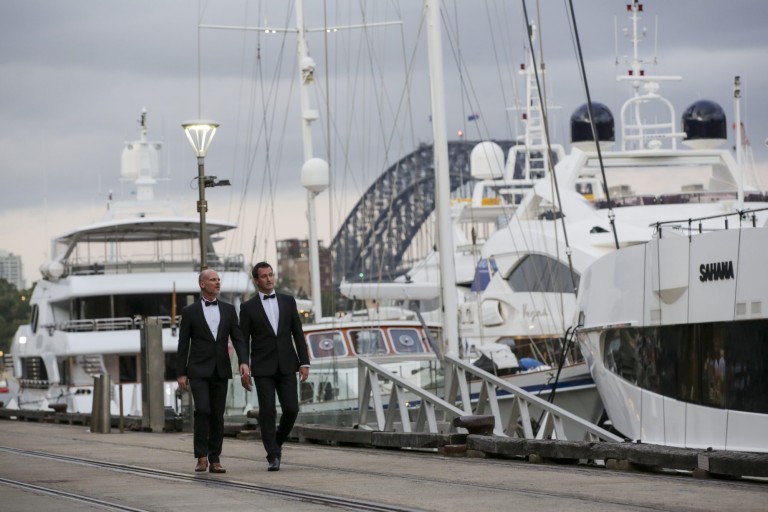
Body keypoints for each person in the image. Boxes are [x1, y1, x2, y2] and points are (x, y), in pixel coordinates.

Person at [236, 262, 310, 472]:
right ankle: (273, 455)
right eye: (264, 276)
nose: (269, 279)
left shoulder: (288, 301)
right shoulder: (248, 307)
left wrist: (304, 362)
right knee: (267, 412)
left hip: (287, 363)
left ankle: (276, 443)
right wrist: (244, 364)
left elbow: (297, 332)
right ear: (256, 280)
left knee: (292, 409)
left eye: (271, 275)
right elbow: (243, 340)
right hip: (263, 366)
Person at [176, 269, 244, 474]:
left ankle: (215, 458)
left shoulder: (229, 309)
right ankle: (201, 456)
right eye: (213, 280)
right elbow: (182, 344)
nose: (217, 283)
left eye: (218, 280)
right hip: (197, 369)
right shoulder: (190, 312)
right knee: (203, 410)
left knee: (217, 415)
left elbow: (238, 339)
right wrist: (181, 373)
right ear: (202, 284)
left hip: (220, 369)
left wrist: (244, 361)